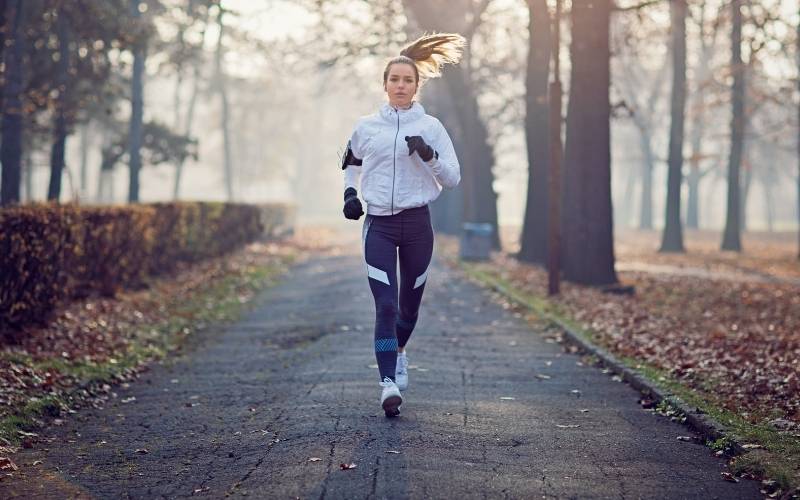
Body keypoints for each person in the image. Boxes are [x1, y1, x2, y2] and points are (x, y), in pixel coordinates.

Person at [340, 33, 464, 417]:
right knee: (386, 306)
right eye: (394, 79)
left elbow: (453, 177)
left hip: (417, 226)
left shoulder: (431, 127)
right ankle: (387, 382)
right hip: (378, 224)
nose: (400, 85)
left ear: (416, 85)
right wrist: (349, 195)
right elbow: (351, 162)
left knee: (408, 309)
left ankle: (401, 352)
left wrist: (428, 155)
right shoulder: (366, 127)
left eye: (407, 80)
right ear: (385, 84)